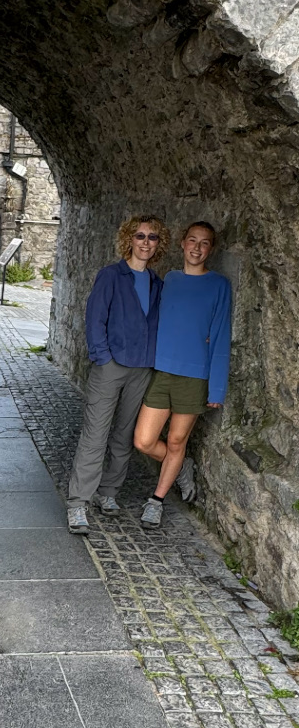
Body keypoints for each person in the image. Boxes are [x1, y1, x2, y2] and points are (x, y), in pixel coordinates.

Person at [67, 214, 168, 535]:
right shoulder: (111, 276)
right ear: (129, 239)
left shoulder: (157, 284)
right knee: (95, 434)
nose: (145, 242)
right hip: (110, 366)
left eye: (152, 237)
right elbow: (95, 318)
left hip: (142, 369)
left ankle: (108, 493)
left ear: (158, 244)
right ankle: (77, 502)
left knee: (124, 436)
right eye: (140, 236)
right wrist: (103, 357)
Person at [133, 222, 231, 529]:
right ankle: (180, 465)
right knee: (144, 441)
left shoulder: (219, 285)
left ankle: (156, 501)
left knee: (176, 440)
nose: (197, 248)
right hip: (162, 372)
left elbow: (220, 336)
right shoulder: (170, 280)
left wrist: (216, 389)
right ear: (182, 244)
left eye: (204, 243)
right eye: (192, 241)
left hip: (195, 377)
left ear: (210, 249)